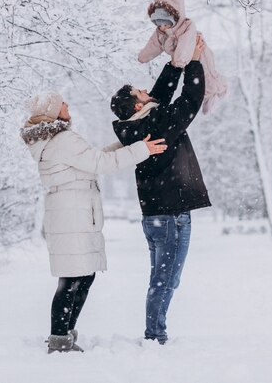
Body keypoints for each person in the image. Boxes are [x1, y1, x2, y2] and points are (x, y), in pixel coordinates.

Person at [21, 92, 167, 353]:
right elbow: (101, 163)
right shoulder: (62, 139)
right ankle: (59, 338)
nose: (67, 104)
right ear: (53, 112)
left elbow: (92, 157)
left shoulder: (53, 139)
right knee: (74, 278)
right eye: (62, 103)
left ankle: (63, 334)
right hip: (72, 213)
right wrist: (142, 150)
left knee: (80, 276)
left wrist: (126, 145)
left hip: (68, 211)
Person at [110, 36, 210, 345]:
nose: (146, 91)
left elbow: (160, 96)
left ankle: (155, 333)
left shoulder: (139, 126)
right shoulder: (158, 124)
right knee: (165, 280)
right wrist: (193, 62)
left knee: (164, 278)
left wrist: (175, 63)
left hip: (155, 217)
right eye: (140, 91)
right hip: (171, 217)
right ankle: (155, 336)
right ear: (138, 104)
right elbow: (190, 101)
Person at [137, 0, 227, 114]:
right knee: (196, 81)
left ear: (175, 17)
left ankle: (219, 90)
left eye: (165, 23)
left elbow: (186, 42)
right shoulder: (161, 33)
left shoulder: (187, 26)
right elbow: (154, 45)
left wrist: (178, 61)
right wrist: (143, 57)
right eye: (158, 23)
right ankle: (207, 97)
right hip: (183, 61)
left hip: (199, 53)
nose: (162, 27)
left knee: (207, 75)